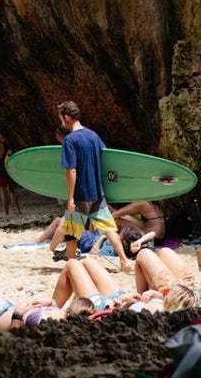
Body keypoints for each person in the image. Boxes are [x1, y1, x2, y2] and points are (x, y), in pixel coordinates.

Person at [57, 100, 132, 272]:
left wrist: (70, 197)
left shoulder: (69, 141)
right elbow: (106, 158)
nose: (61, 122)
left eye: (62, 118)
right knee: (109, 228)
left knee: (71, 232)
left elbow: (71, 171)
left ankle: (72, 265)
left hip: (81, 194)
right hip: (97, 192)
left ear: (67, 117)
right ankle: (124, 260)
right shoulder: (93, 135)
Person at [52, 257, 141, 313]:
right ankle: (75, 308)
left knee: (72, 264)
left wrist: (116, 302)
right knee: (88, 261)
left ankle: (51, 312)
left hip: (106, 309)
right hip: (120, 300)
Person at [133, 247, 199, 312]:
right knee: (164, 251)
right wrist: (198, 286)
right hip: (190, 292)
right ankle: (144, 297)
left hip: (176, 297)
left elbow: (179, 302)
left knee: (144, 253)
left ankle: (142, 298)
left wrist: (160, 295)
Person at [0, 130, 21, 216]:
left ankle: (6, 212)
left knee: (3, 192)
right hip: (9, 169)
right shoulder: (11, 145)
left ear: (1, 135)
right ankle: (18, 209)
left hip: (1, 169)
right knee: (11, 190)